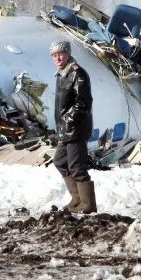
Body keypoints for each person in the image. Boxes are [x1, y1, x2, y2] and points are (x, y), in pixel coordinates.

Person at [50, 40, 96, 214]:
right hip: (65, 130)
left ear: (68, 53)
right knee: (60, 162)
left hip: (75, 129)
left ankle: (88, 204)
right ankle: (77, 198)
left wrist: (68, 121)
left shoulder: (77, 73)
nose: (58, 58)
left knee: (77, 167)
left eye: (60, 54)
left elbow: (83, 102)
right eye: (54, 55)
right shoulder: (62, 74)